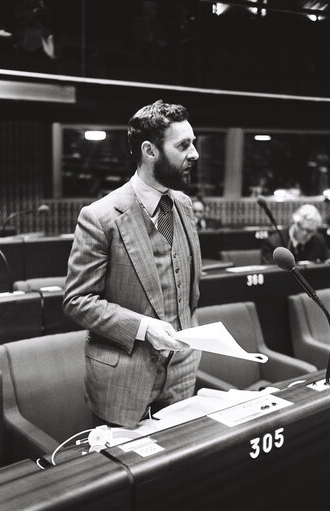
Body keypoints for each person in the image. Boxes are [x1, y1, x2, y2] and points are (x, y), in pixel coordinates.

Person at [63, 99, 202, 429]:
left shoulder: (183, 205)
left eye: (193, 143)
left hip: (181, 374)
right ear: (150, 151)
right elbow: (77, 301)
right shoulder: (100, 217)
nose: (194, 153)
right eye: (183, 145)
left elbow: (188, 292)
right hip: (123, 381)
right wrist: (144, 327)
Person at [261, 204, 328, 264]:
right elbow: (270, 274)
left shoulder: (319, 240)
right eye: (302, 228)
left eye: (310, 231)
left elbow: (326, 265)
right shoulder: (273, 243)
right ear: (295, 223)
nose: (305, 233)